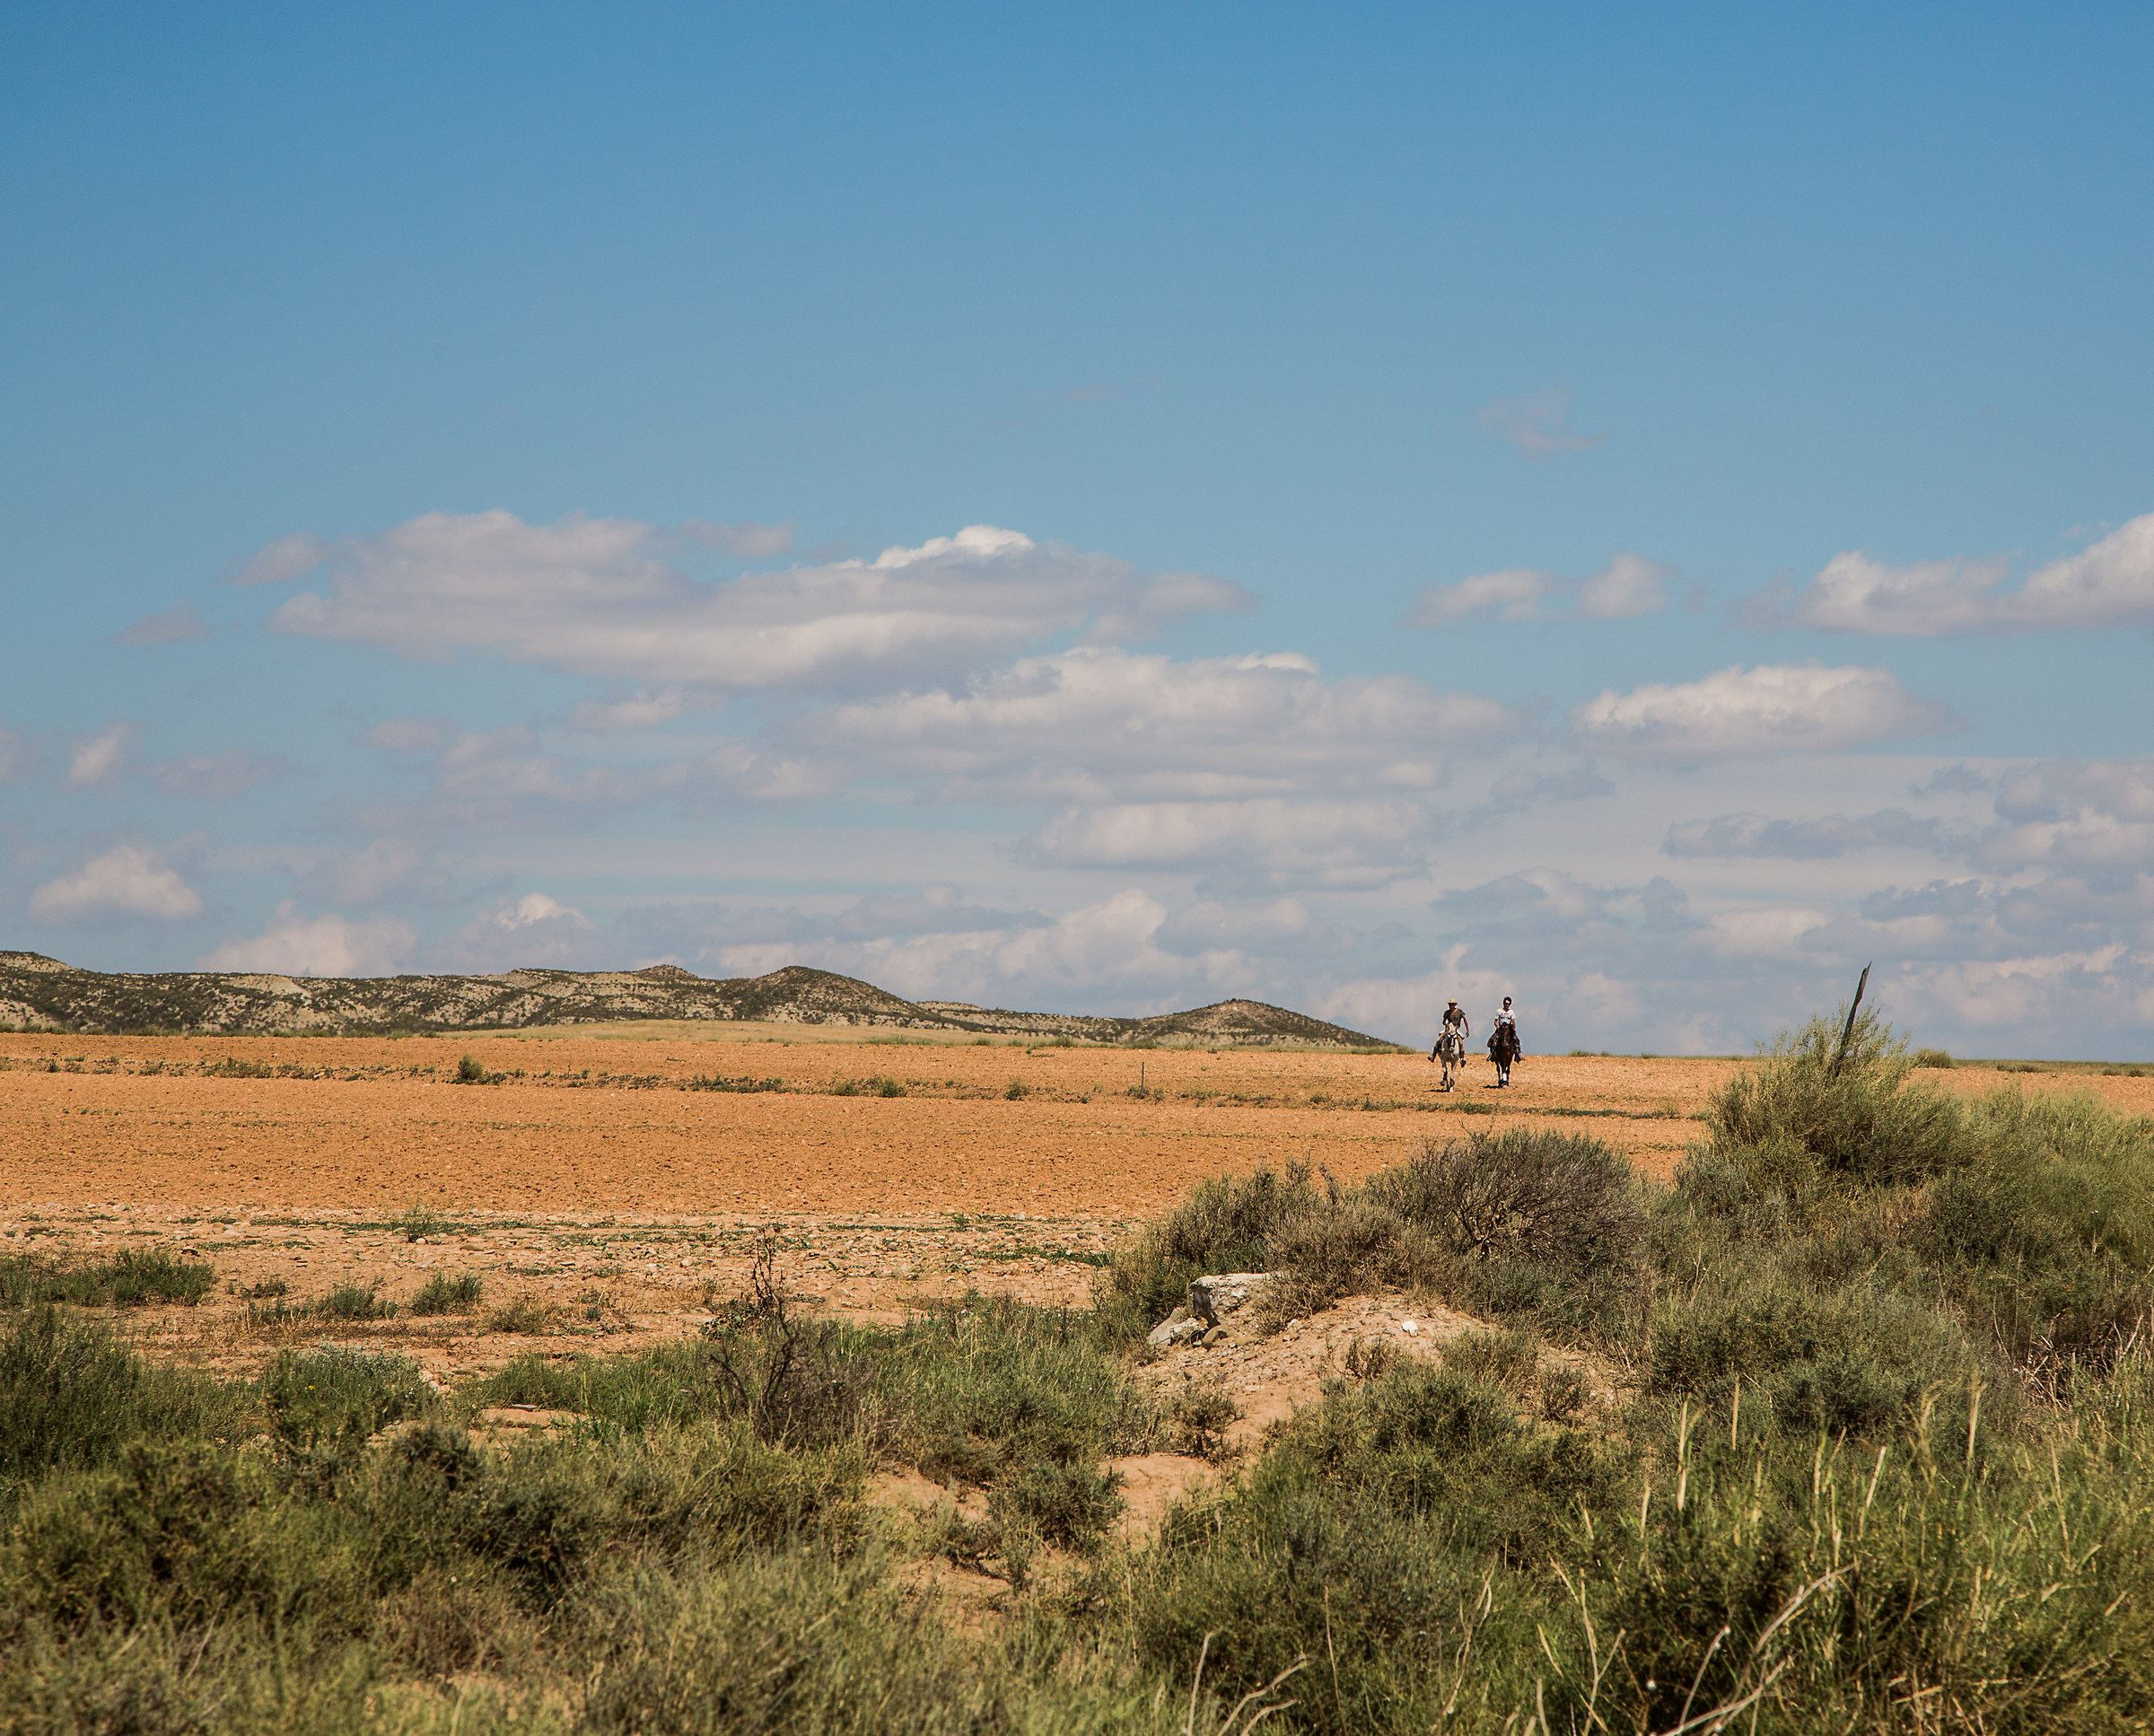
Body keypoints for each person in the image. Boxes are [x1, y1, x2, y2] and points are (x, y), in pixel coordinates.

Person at [1429, 998, 1469, 1092]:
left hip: (1456, 1029)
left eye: (1452, 1004)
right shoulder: (1447, 1013)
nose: (1451, 1006)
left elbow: (1465, 1020)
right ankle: (1433, 1055)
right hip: (1448, 1029)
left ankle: (1462, 1058)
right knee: (1439, 1039)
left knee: (1460, 1041)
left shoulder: (1459, 1012)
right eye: (1450, 1004)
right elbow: (1443, 1021)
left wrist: (1467, 1029)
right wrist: (1446, 1025)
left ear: (1455, 1005)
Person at [1487, 995, 1521, 1086]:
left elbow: (1513, 1021)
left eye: (1509, 1004)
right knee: (1492, 1039)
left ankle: (1517, 1053)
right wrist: (1497, 1026)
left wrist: (1513, 1029)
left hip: (1509, 1029)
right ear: (1503, 1003)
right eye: (1506, 1003)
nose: (1507, 1005)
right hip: (1501, 1028)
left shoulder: (1511, 1012)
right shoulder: (1499, 1011)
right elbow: (1495, 1021)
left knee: (1517, 1040)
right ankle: (1492, 1053)